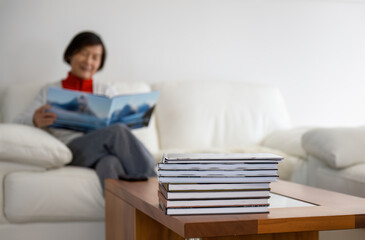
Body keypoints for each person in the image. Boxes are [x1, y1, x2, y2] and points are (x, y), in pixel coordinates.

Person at [14, 31, 156, 190]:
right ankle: (154, 181)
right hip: (72, 150)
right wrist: (34, 119)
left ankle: (122, 214)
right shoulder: (50, 90)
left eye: (95, 57)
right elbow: (17, 122)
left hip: (103, 151)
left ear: (100, 63)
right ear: (70, 54)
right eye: (83, 53)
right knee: (117, 132)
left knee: (110, 163)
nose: (89, 61)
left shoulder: (107, 91)